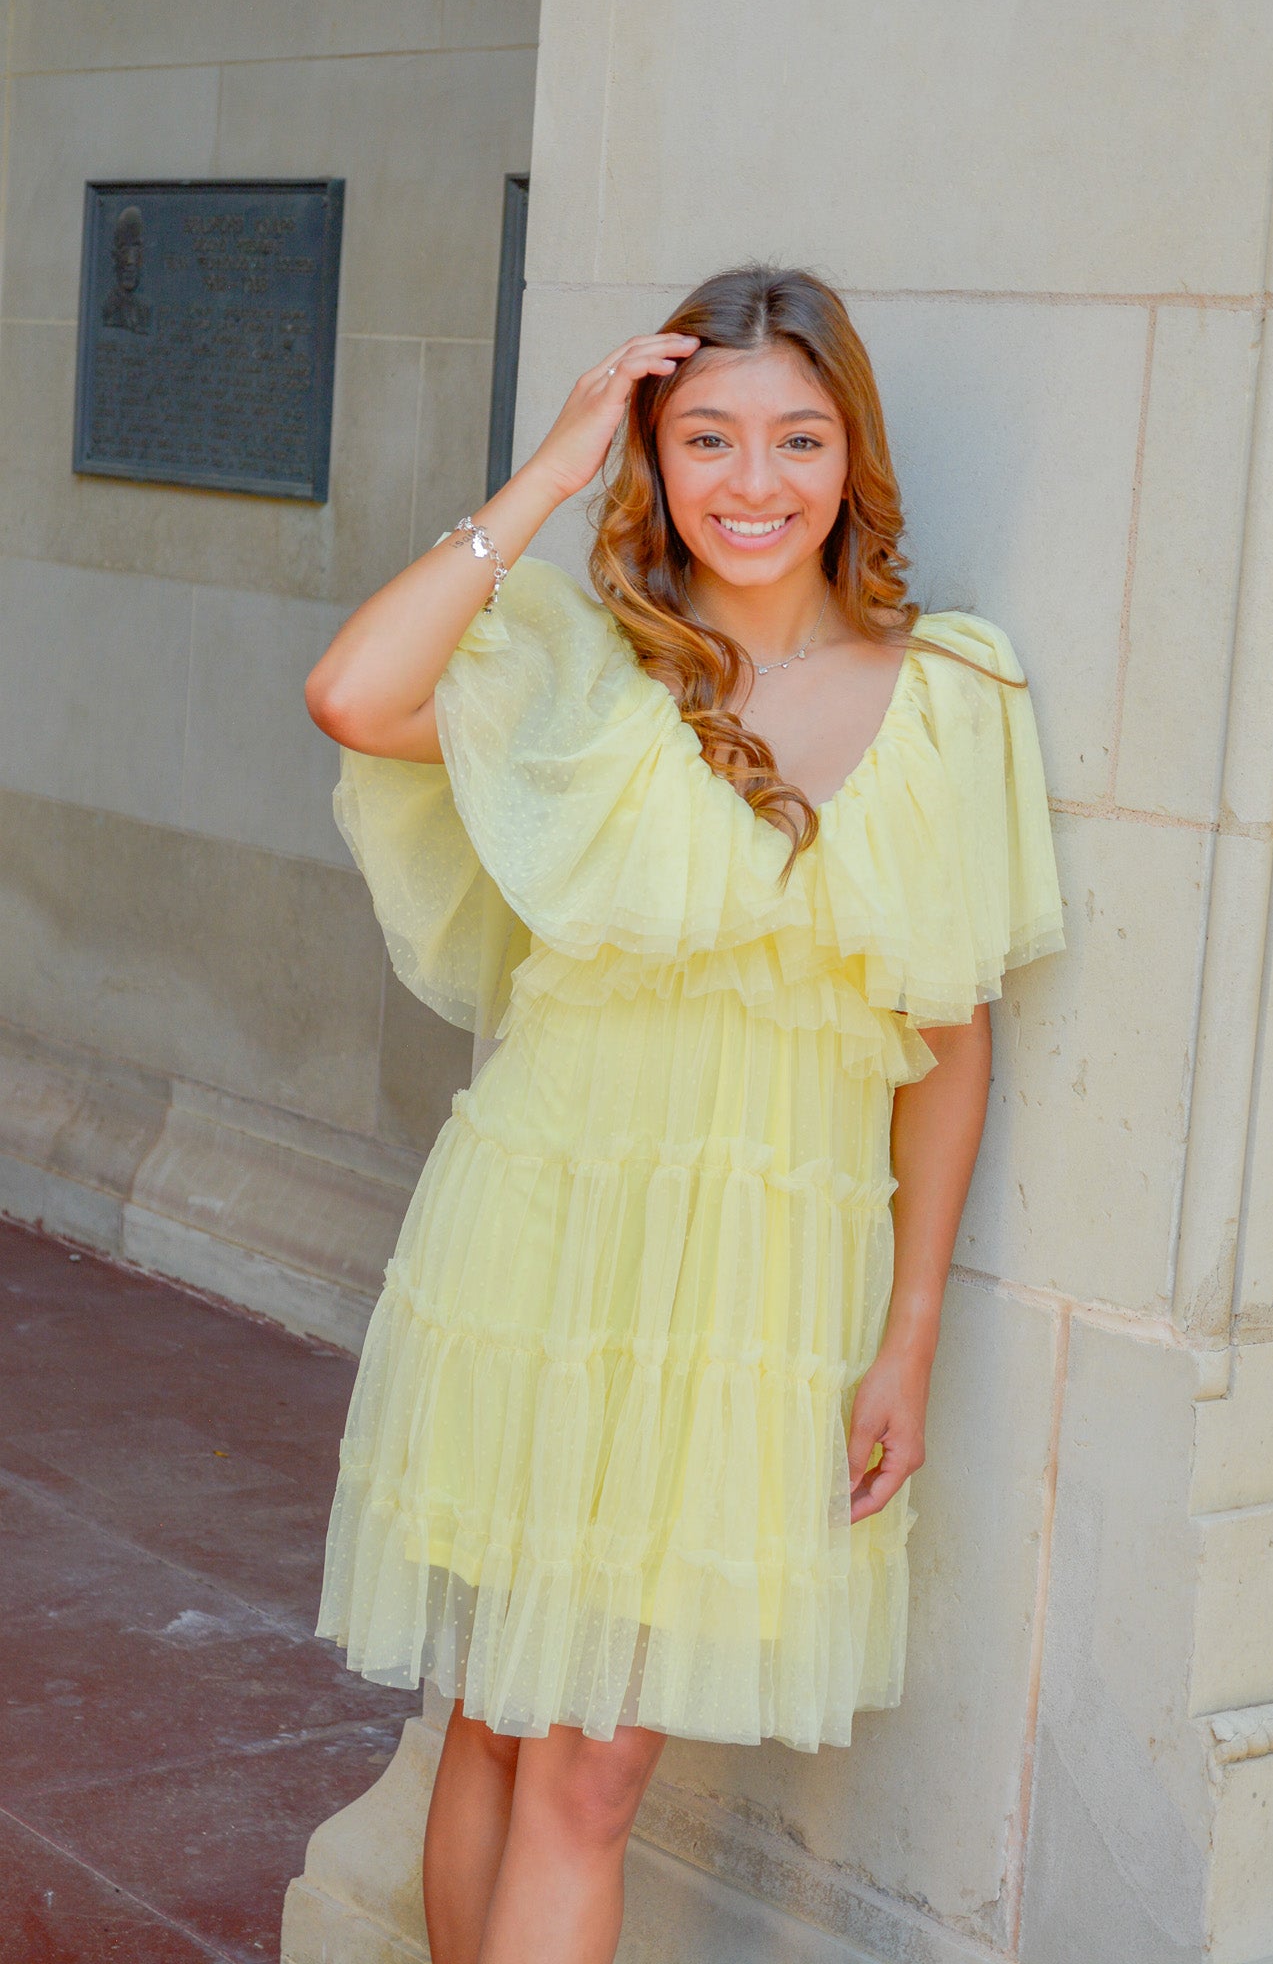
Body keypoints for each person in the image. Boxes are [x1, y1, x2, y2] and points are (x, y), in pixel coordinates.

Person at [305, 265, 1065, 1964]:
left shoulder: (950, 694)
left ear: (851, 453)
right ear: (653, 451)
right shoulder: (580, 669)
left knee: (593, 1767)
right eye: (703, 436)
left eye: (797, 437)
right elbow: (356, 695)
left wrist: (910, 1334)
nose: (752, 480)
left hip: (757, 1291)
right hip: (543, 1240)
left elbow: (948, 1038)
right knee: (504, 1724)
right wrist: (551, 465)